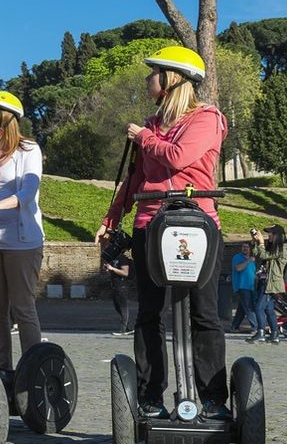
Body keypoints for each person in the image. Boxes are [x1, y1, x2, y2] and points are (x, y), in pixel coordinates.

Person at [96, 45, 229, 420]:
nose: (147, 79)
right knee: (149, 312)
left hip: (196, 221)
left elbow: (178, 157)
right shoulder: (152, 125)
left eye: (153, 72)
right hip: (150, 223)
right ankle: (150, 394)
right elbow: (134, 179)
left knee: (204, 313)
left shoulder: (207, 119)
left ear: (172, 79)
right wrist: (111, 218)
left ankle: (214, 398)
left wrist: (143, 139)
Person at [0, 90, 45, 371]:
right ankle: (2, 364)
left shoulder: (28, 151)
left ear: (7, 120)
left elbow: (28, 191)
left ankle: (33, 366)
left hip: (22, 240)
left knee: (22, 308)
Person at [250, 225, 287, 344]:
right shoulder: (272, 247)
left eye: (271, 233)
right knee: (269, 309)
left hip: (271, 283)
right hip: (264, 281)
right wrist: (255, 241)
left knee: (258, 307)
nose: (268, 236)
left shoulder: (283, 247)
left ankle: (261, 332)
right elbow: (257, 253)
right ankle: (274, 334)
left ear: (278, 235)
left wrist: (261, 242)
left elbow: (265, 255)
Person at [103, 247, 135, 337]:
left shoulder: (122, 258)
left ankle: (123, 329)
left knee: (123, 307)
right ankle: (130, 327)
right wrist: (109, 269)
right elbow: (115, 271)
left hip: (122, 286)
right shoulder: (114, 259)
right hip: (115, 285)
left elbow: (125, 273)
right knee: (117, 306)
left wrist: (112, 269)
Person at [228, 241, 258, 335]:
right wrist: (248, 261)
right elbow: (238, 268)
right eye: (243, 247)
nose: (245, 249)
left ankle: (234, 326)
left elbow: (253, 273)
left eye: (247, 247)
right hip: (241, 286)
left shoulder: (253, 260)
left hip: (250, 287)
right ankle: (255, 327)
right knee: (249, 307)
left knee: (242, 308)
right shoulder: (237, 257)